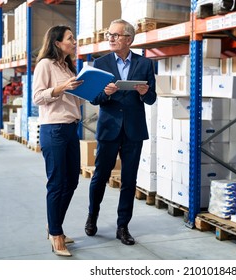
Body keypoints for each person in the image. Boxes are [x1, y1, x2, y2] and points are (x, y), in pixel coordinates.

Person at [85, 19, 157, 245]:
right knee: (99, 177)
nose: (111, 39)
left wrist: (145, 92)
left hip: (133, 130)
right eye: (109, 35)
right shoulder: (100, 63)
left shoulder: (144, 64)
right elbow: (93, 98)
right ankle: (92, 217)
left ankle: (123, 226)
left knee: (129, 180)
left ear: (129, 39)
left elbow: (152, 99)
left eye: (115, 35)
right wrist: (106, 93)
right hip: (108, 129)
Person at [33, 25, 83, 257]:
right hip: (53, 129)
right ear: (57, 42)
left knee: (71, 181)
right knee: (57, 183)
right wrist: (62, 87)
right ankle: (55, 233)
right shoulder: (45, 65)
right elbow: (38, 98)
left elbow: (74, 102)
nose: (74, 41)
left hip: (71, 128)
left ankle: (55, 226)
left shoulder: (69, 66)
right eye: (70, 38)